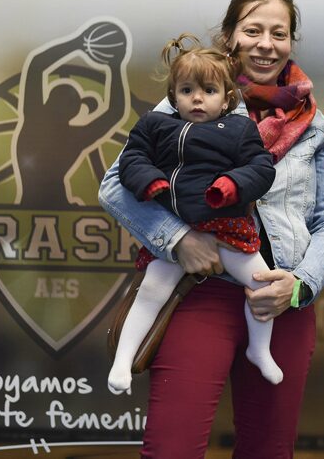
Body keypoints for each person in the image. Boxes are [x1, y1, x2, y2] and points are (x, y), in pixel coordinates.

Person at [99, 0, 324, 458]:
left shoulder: (313, 123)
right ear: (231, 35)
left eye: (279, 32)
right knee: (171, 450)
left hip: (279, 304)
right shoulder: (190, 97)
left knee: (268, 451)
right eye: (253, 30)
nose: (266, 43)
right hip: (199, 295)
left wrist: (301, 284)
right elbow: (115, 186)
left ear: (291, 41)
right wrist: (178, 241)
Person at [107, 34, 278, 394]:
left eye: (208, 91)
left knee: (262, 284)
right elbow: (132, 160)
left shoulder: (239, 129)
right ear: (173, 97)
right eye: (186, 91)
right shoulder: (155, 124)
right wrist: (149, 182)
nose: (197, 99)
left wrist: (233, 184)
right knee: (152, 288)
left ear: (227, 98)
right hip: (176, 229)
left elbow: (261, 167)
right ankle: (122, 361)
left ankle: (259, 349)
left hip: (226, 226)